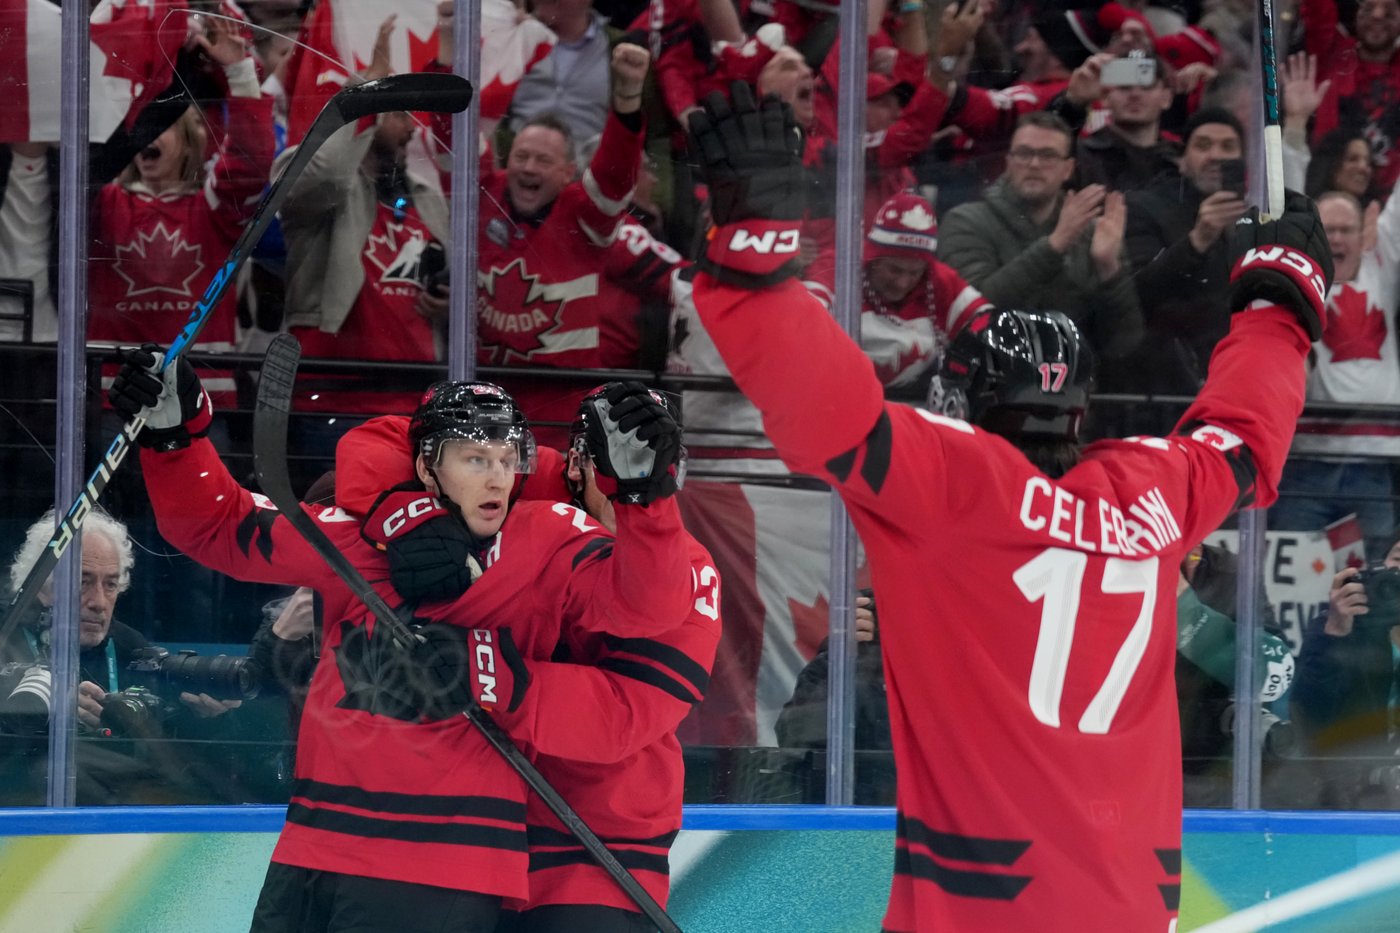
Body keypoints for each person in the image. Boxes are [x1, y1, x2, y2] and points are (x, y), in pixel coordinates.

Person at [687, 82, 1332, 931]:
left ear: (962, 398)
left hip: (984, 907)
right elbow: (1244, 437)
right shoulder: (1150, 491)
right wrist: (1277, 305)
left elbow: (829, 409)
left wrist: (752, 259)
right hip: (1133, 907)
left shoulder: (955, 487)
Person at [105, 352, 695, 931]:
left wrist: (646, 501)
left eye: (507, 459)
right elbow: (219, 526)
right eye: (474, 459)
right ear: (427, 469)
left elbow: (649, 605)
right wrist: (175, 438)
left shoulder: (551, 541)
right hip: (315, 842)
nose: (497, 476)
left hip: (439, 862)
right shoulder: (364, 537)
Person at [328, 386, 721, 930]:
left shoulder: (690, 574)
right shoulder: (526, 483)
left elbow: (626, 715)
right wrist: (408, 511)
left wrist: (490, 674)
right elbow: (393, 437)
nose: (628, 488)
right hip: (479, 837)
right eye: (615, 467)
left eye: (652, 473)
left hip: (594, 849)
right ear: (577, 465)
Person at [938, 112, 1144, 384]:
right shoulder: (965, 221)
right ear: (1008, 163)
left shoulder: (1093, 233)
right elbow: (972, 315)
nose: (1034, 164)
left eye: (1048, 156)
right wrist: (1055, 245)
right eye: (1024, 154)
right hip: (985, 388)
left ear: (1068, 169)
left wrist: (1110, 271)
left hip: (1075, 394)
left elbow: (1124, 344)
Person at [1269, 186, 1400, 560]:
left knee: (1374, 575)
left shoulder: (1380, 266)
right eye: (1328, 231)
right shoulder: (1298, 280)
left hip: (1374, 463)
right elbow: (1283, 181)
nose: (1338, 239)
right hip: (1308, 461)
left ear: (1365, 234)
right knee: (1294, 573)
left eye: (1347, 230)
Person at [1123, 106, 1248, 395]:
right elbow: (1138, 294)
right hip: (1167, 382)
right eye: (1203, 145)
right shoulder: (1145, 208)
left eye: (1228, 147)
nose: (1216, 155)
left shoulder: (1262, 213)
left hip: (1240, 371)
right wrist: (1198, 241)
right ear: (1182, 160)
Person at [1291, 534, 1400, 809]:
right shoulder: (1340, 623)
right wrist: (1335, 633)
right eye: (1397, 559)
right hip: (1343, 795)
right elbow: (1307, 718)